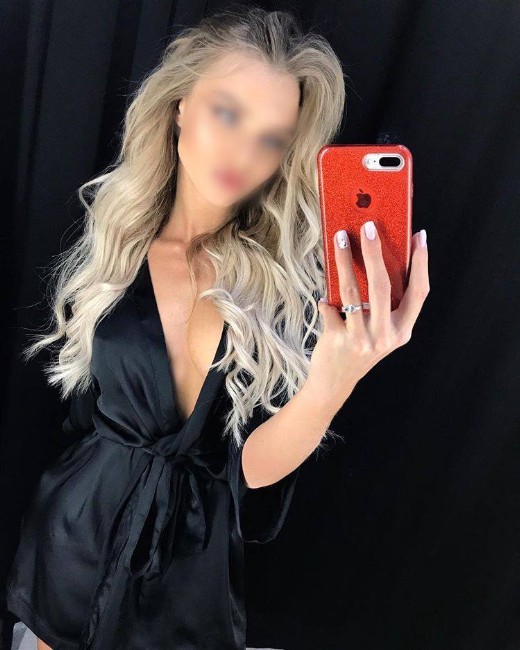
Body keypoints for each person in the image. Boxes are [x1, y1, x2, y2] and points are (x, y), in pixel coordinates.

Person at [5, 5, 429, 650]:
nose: (243, 154)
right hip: (72, 540)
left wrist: (338, 379)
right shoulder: (118, 240)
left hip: (188, 574)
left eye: (271, 139)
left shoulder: (284, 282)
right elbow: (86, 417)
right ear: (180, 105)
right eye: (228, 114)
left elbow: (246, 472)